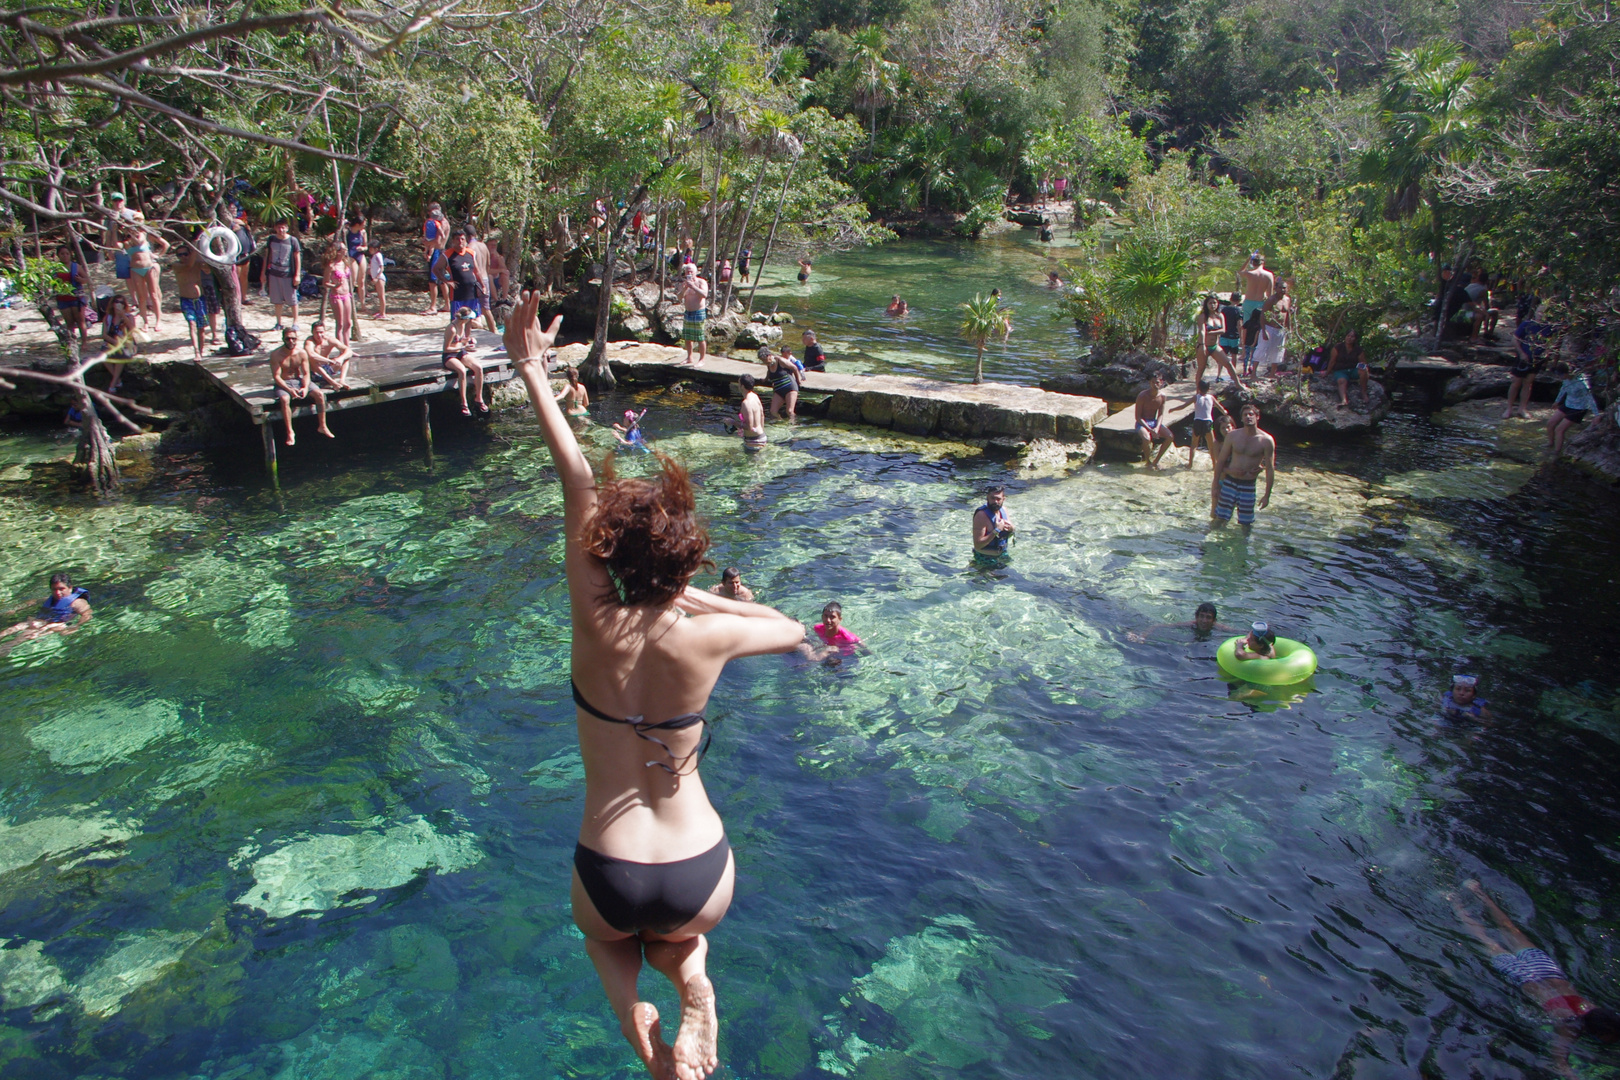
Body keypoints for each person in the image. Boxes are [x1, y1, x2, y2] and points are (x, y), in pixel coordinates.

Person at [503, 290, 806, 1080]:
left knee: (607, 942)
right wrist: (694, 594)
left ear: (612, 557)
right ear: (686, 563)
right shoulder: (713, 635)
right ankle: (694, 982)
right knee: (680, 936)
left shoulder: (595, 618)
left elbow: (574, 476)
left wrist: (532, 369)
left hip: (611, 864)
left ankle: (646, 1043)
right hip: (700, 868)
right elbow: (793, 627)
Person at [1450, 880, 1620, 1079]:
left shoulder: (1596, 1011)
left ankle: (1479, 893)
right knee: (1487, 942)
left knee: (1510, 930)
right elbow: (1560, 1061)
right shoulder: (1570, 1028)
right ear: (1596, 1033)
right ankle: (1456, 903)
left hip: (1547, 970)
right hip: (1523, 977)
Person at [1211, 402, 1275, 529]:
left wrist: (1267, 495)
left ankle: (1243, 547)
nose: (1248, 417)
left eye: (1251, 414)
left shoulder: (1266, 440)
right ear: (1241, 418)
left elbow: (1270, 469)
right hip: (1229, 482)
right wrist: (1216, 485)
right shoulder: (1233, 436)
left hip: (1248, 485)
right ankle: (1213, 546)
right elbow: (1221, 462)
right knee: (1220, 518)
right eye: (1245, 415)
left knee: (1246, 524)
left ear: (1257, 417)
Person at [270, 325, 332, 445]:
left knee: (319, 394)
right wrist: (289, 389)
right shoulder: (276, 354)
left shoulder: (301, 353)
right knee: (284, 399)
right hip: (284, 383)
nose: (291, 341)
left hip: (299, 381)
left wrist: (305, 387)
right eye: (288, 339)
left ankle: (322, 426)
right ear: (283, 339)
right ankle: (290, 432)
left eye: (293, 338)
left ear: (297, 339)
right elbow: (277, 377)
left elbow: (307, 373)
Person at [0, 573, 92, 653]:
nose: (57, 593)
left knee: (28, 634)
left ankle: (6, 647)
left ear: (70, 588)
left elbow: (87, 614)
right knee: (12, 629)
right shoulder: (50, 599)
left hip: (56, 624)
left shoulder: (77, 602)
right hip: (40, 620)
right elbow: (33, 602)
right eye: (54, 589)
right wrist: (15, 609)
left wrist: (77, 625)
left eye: (61, 589)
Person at [1505, 308, 1553, 419]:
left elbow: (1551, 344)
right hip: (1522, 358)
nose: (1541, 315)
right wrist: (1521, 353)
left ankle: (1522, 408)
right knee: (1516, 382)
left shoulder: (1549, 328)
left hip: (1537, 359)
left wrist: (1546, 357)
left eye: (1543, 313)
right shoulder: (1527, 324)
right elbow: (1515, 339)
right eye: (1539, 312)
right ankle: (1509, 408)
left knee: (1528, 383)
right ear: (1535, 312)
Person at [123, 224, 169, 334]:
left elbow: (139, 242)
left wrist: (158, 255)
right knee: (141, 297)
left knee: (154, 294)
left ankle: (158, 320)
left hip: (149, 267)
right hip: (135, 269)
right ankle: (145, 322)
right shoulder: (126, 242)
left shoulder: (142, 235)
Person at [441, 318, 487, 417]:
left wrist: (469, 342)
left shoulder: (463, 325)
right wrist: (461, 346)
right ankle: (464, 402)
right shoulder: (451, 328)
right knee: (462, 370)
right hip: (449, 355)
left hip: (461, 353)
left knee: (478, 367)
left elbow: (462, 342)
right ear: (464, 318)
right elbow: (446, 348)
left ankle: (479, 398)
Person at [1548, 363, 1595, 457]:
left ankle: (1557, 452)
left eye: (1560, 374)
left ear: (1567, 373)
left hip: (1579, 408)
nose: (1558, 376)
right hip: (1568, 404)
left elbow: (1590, 398)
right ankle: (1550, 443)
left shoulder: (1581, 382)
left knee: (1559, 429)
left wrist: (1596, 415)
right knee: (1550, 423)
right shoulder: (1565, 380)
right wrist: (1557, 401)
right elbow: (1563, 389)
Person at [1127, 602, 1237, 643]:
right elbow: (1158, 626)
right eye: (1201, 616)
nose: (1204, 621)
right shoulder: (1190, 624)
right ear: (1196, 617)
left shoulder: (1219, 627)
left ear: (1214, 621)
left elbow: (1237, 631)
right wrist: (1143, 636)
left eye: (1208, 618)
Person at [1237, 252, 1275, 370]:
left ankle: (1244, 352)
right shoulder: (1269, 275)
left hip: (1248, 302)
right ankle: (1255, 353)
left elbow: (1240, 271)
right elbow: (1270, 294)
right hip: (1260, 303)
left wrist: (1248, 258)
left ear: (1253, 262)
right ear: (1263, 262)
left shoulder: (1250, 273)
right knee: (1258, 328)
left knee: (1246, 327)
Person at [263, 220, 303, 331]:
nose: (281, 230)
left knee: (292, 299)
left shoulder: (292, 240)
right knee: (277, 300)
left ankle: (295, 321)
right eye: (279, 227)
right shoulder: (271, 239)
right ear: (275, 228)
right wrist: (264, 273)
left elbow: (297, 257)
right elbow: (268, 256)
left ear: (287, 228)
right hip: (274, 273)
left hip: (288, 274)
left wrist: (297, 274)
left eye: (283, 227)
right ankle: (278, 322)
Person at [175, 239, 210, 361]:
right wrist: (195, 249)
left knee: (201, 328)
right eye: (180, 255)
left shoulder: (197, 264)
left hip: (200, 300)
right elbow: (188, 265)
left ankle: (200, 351)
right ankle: (196, 351)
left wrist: (203, 258)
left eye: (185, 254)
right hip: (186, 300)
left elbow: (208, 269)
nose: (183, 257)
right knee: (192, 324)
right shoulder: (177, 265)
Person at [1323, 328, 1371, 409]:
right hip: (1340, 370)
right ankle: (1344, 400)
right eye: (1348, 336)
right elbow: (1332, 361)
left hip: (1353, 370)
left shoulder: (1358, 350)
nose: (1350, 338)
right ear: (1345, 337)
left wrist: (1364, 370)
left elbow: (1363, 363)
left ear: (1355, 339)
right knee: (1341, 381)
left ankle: (1363, 392)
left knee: (1364, 371)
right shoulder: (1337, 348)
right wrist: (1327, 372)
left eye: (1352, 336)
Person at [1186, 379, 1229, 468]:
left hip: (1197, 421)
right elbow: (1219, 407)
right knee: (1211, 445)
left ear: (1198, 388)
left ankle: (1190, 464)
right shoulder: (1211, 397)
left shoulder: (1196, 397)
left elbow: (1184, 405)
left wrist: (1173, 409)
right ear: (1209, 388)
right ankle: (1214, 464)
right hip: (1208, 422)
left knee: (1194, 444)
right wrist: (1225, 412)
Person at [1134, 374, 1174, 469]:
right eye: (1153, 382)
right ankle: (1148, 461)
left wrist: (1157, 427)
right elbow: (1138, 417)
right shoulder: (1142, 396)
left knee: (1170, 437)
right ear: (1149, 383)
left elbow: (1160, 414)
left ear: (1161, 383)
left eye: (1157, 382)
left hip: (1154, 422)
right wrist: (1150, 429)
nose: (1155, 384)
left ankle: (1156, 461)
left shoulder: (1163, 396)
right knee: (1147, 438)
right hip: (1142, 423)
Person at [53, 243, 88, 345]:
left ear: (70, 254)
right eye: (62, 254)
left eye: (67, 253)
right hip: (62, 298)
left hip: (76, 297)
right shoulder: (55, 268)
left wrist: (80, 279)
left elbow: (86, 279)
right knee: (69, 322)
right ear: (58, 255)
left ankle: (84, 342)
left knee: (80, 321)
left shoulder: (76, 266)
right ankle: (72, 342)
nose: (65, 255)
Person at [101, 294, 137, 393]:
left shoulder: (129, 317)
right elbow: (104, 335)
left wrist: (123, 316)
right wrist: (115, 342)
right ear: (112, 304)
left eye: (121, 302)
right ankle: (117, 379)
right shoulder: (108, 317)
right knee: (102, 356)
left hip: (126, 343)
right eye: (116, 302)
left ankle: (113, 384)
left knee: (122, 355)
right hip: (112, 342)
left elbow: (132, 330)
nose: (118, 304)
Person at [308, 321, 355, 391]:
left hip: (328, 369)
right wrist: (329, 361)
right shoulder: (309, 341)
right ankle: (333, 383)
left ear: (325, 331)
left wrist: (340, 358)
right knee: (313, 360)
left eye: (321, 332)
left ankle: (342, 380)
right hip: (315, 373)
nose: (319, 335)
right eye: (316, 333)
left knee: (346, 358)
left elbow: (349, 351)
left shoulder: (330, 340)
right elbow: (311, 354)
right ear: (312, 332)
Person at [323, 242, 354, 346]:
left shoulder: (345, 263)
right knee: (340, 323)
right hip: (337, 295)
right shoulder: (331, 266)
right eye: (344, 249)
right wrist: (334, 286)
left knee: (348, 322)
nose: (346, 250)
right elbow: (325, 283)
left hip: (346, 294)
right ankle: (341, 347)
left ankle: (347, 346)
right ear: (338, 251)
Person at [421, 202, 450, 316]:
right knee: (442, 280)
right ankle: (447, 304)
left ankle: (433, 306)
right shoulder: (444, 222)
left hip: (438, 252)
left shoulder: (441, 224)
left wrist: (426, 243)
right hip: (442, 252)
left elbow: (437, 241)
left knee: (433, 281)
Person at [1216, 293, 1249, 391]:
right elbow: (1239, 325)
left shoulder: (1224, 310)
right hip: (1234, 336)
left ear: (1230, 299)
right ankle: (1232, 374)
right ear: (1239, 301)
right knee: (1234, 355)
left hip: (1224, 335)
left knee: (1222, 356)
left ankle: (1218, 375)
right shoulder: (1238, 311)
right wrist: (1242, 339)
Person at [972, 485, 1015, 558]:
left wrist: (1011, 529)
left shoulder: (1004, 510)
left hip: (1003, 555)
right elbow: (978, 545)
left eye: (998, 499)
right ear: (987, 497)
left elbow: (1010, 534)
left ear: (1003, 499)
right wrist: (996, 530)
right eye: (992, 498)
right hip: (985, 559)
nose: (995, 501)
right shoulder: (981, 515)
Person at [679, 264, 709, 366]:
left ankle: (702, 359)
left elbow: (704, 294)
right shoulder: (684, 284)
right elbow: (679, 298)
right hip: (688, 312)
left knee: (700, 337)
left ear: (696, 272)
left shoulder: (701, 282)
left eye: (691, 271)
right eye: (687, 271)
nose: (689, 273)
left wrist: (693, 286)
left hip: (698, 312)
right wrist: (684, 289)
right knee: (688, 337)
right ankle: (689, 357)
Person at [762, 346, 799, 420]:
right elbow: (769, 372)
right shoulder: (769, 364)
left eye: (765, 360)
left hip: (790, 387)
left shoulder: (780, 360)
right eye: (762, 361)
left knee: (789, 411)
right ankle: (780, 425)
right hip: (778, 389)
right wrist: (765, 379)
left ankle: (793, 427)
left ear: (769, 356)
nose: (764, 362)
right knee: (773, 411)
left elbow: (794, 368)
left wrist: (798, 381)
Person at [344, 211, 368, 314]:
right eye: (363, 223)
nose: (364, 226)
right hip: (350, 255)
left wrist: (362, 248)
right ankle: (349, 303)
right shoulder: (347, 232)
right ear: (358, 224)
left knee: (361, 280)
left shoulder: (362, 232)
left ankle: (363, 304)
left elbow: (366, 246)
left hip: (360, 254)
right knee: (352, 280)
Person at [736, 374, 766, 451]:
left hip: (754, 441)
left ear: (742, 386)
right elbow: (762, 415)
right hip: (761, 437)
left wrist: (732, 422)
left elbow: (749, 427)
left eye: (739, 383)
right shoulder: (755, 396)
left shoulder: (746, 403)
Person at [366, 240, 389, 320]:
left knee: (381, 296)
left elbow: (381, 267)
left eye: (371, 248)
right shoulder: (374, 256)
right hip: (376, 277)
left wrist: (376, 277)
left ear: (376, 249)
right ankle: (381, 312)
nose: (369, 250)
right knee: (379, 295)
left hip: (379, 278)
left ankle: (383, 313)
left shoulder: (378, 255)